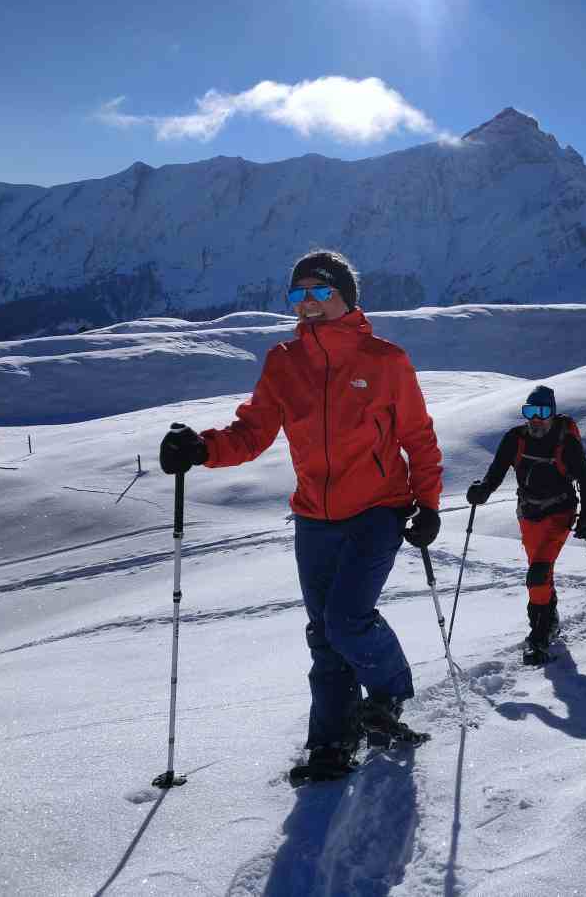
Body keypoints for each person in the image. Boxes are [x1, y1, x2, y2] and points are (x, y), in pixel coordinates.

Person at [159, 250, 443, 780]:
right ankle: (331, 741)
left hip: (378, 508)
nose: (308, 303)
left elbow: (417, 439)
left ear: (345, 296)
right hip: (314, 515)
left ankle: (387, 695)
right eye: (298, 294)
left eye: (320, 292)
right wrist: (201, 449)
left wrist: (427, 503)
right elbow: (253, 432)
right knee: (324, 632)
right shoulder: (284, 362)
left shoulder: (386, 361)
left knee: (347, 619)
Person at [465, 385, 586, 665]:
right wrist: (483, 490)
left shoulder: (566, 442)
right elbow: (496, 472)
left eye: (543, 412)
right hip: (528, 515)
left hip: (560, 513)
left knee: (537, 573)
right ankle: (550, 618)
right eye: (530, 412)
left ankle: (539, 636)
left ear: (552, 413)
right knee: (540, 571)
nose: (536, 418)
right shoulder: (515, 439)